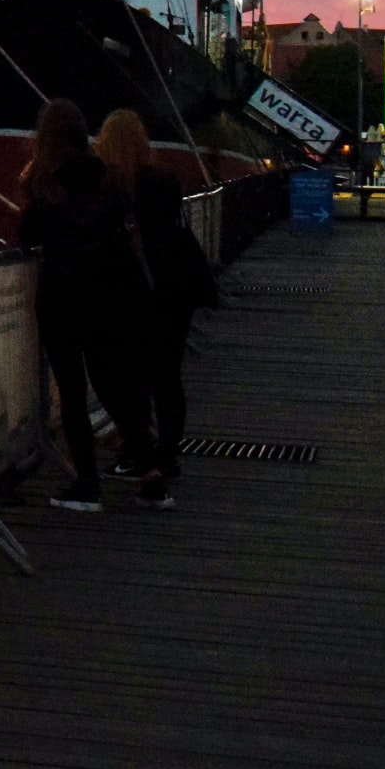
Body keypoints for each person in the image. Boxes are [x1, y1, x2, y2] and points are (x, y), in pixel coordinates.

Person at [17, 99, 153, 512]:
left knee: (72, 393)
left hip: (62, 297)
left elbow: (27, 237)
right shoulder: (110, 179)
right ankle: (152, 475)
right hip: (107, 294)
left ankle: (87, 484)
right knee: (114, 383)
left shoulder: (45, 182)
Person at [127, 159, 219, 508]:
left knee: (140, 386)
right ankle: (168, 454)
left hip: (149, 319)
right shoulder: (181, 237)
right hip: (177, 318)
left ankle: (145, 458)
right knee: (169, 383)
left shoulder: (145, 244)